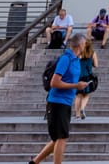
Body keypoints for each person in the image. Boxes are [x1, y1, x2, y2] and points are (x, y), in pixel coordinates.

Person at [31, 32, 85, 164]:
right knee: (61, 137)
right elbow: (54, 82)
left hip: (66, 102)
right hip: (57, 102)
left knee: (58, 138)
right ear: (81, 44)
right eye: (85, 44)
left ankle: (34, 162)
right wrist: (75, 86)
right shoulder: (66, 59)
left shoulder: (76, 60)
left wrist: (80, 85)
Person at [73, 36, 99, 121]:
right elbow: (96, 65)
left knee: (78, 95)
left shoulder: (79, 52)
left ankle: (77, 115)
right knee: (86, 94)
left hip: (78, 76)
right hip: (87, 76)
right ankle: (82, 108)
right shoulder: (92, 53)